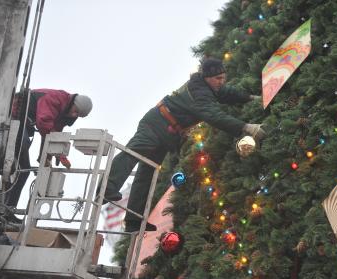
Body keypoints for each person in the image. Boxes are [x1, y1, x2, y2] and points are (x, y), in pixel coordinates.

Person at [100, 58, 266, 233]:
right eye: (218, 78)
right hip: (155, 124)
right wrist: (246, 127)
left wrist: (251, 98)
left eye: (223, 77)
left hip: (167, 132)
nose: (221, 81)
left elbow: (227, 93)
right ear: (207, 77)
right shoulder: (199, 93)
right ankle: (105, 189)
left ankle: (134, 219)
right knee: (132, 153)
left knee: (147, 172)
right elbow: (214, 116)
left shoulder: (209, 87)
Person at [6, 89, 93, 211]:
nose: (74, 115)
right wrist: (59, 155)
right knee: (22, 161)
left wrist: (46, 158)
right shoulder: (55, 99)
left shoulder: (63, 114)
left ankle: (7, 209)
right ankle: (7, 209)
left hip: (23, 123)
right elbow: (44, 124)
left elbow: (52, 137)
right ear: (72, 103)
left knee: (22, 170)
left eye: (78, 115)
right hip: (14, 113)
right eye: (75, 111)